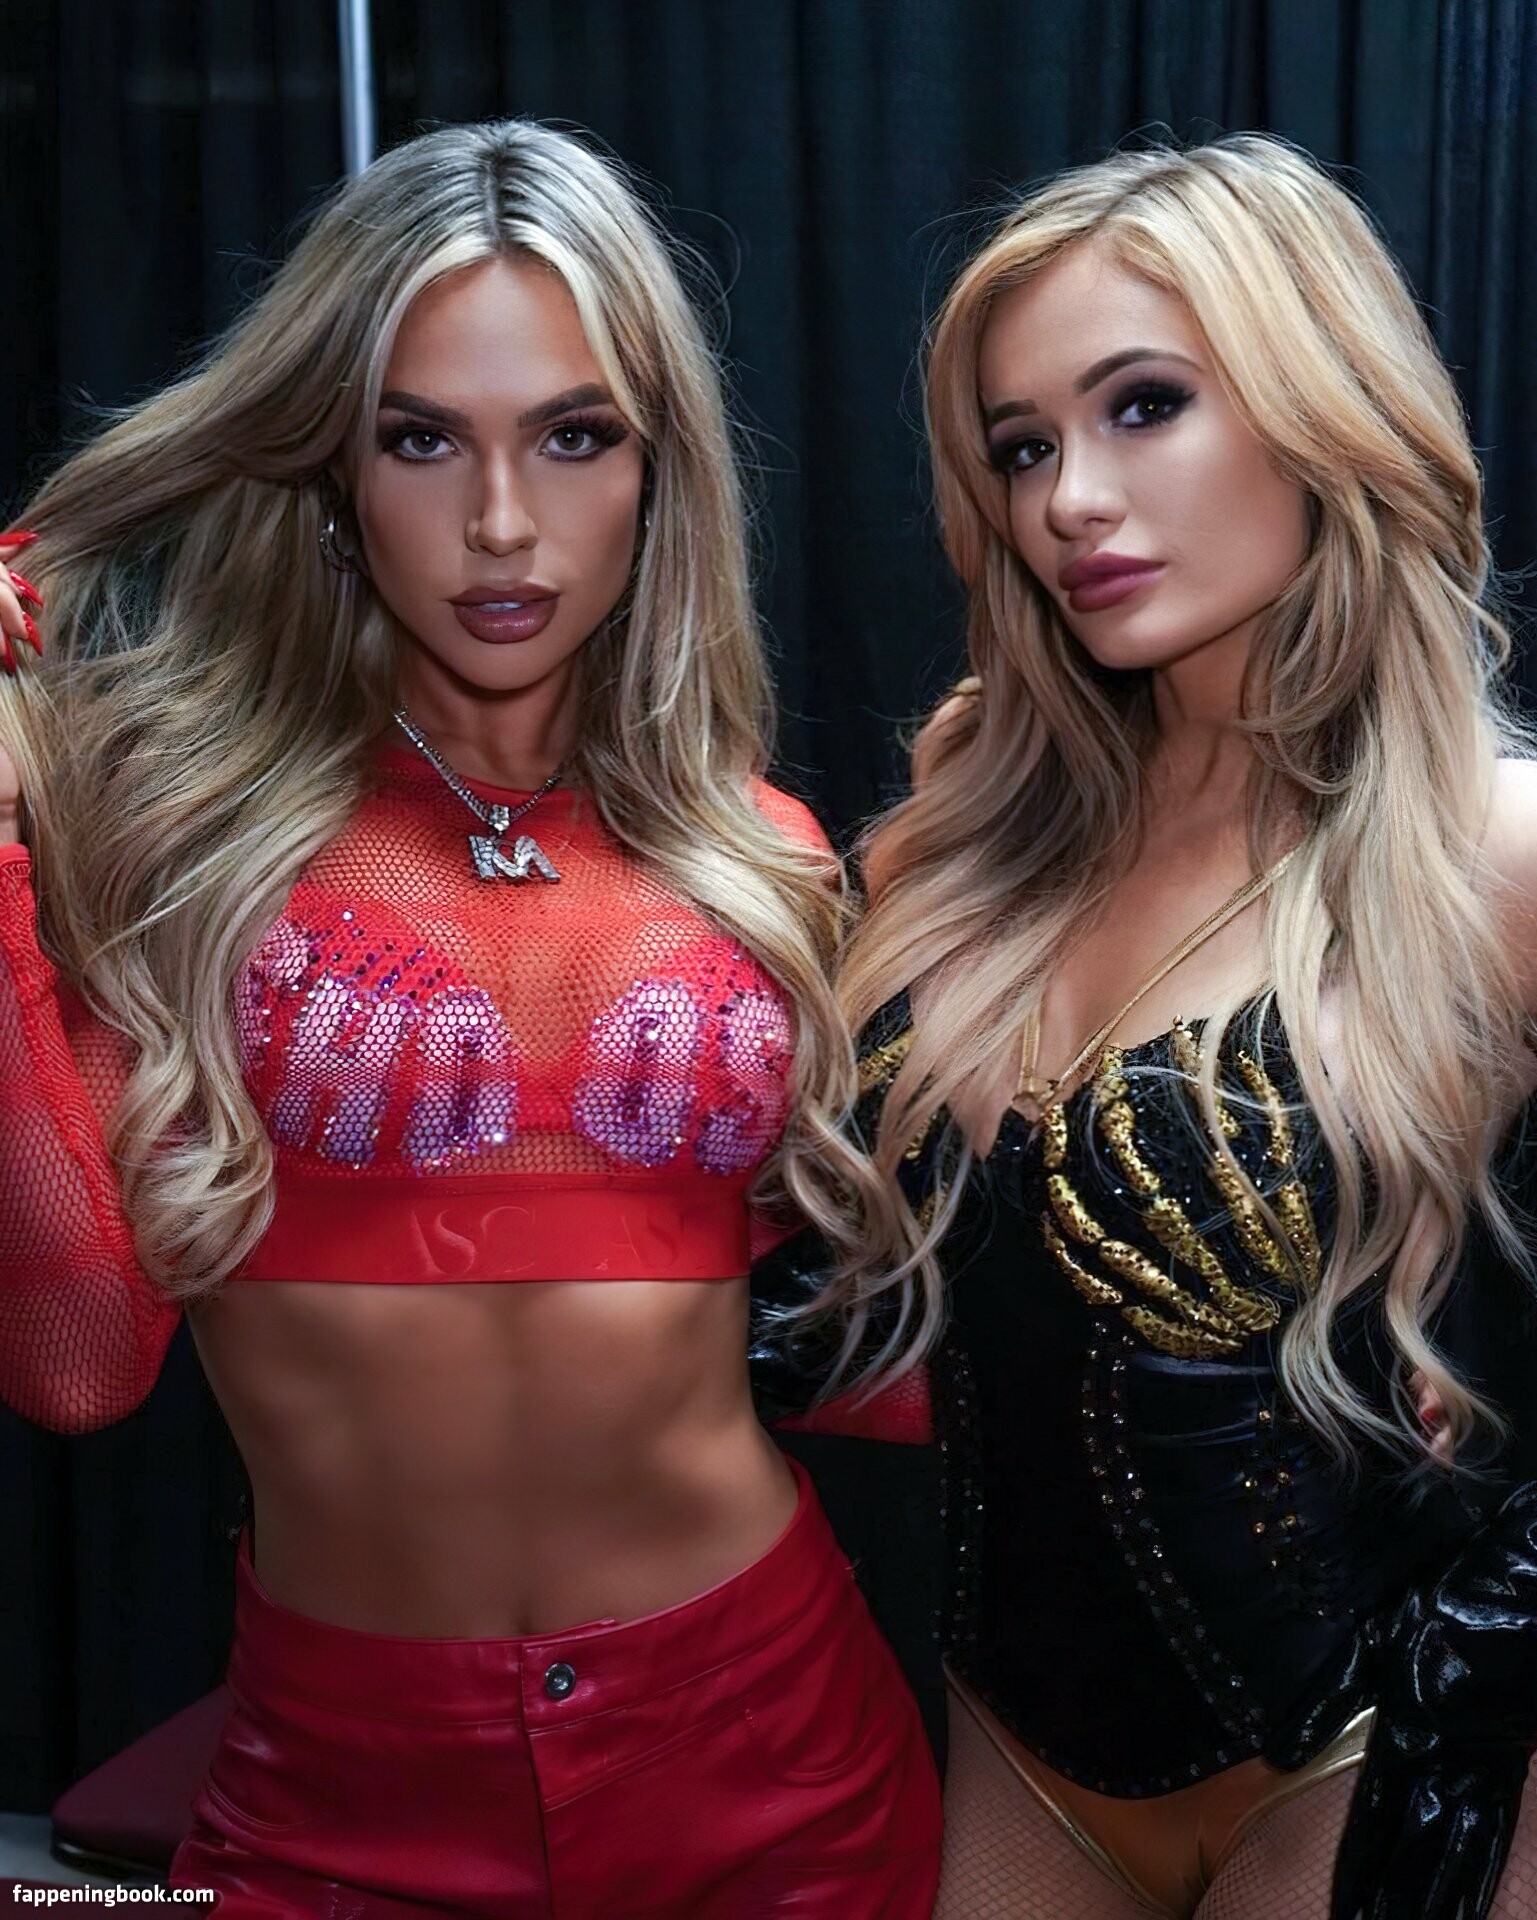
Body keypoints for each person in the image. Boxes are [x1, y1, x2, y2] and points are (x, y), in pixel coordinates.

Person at [0, 118, 940, 1917]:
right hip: (335, 1794)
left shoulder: (766, 859)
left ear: (657, 468)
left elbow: (870, 1351)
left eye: (574, 436)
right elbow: (74, 1362)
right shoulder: (178, 844)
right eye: (420, 439)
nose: (501, 524)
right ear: (328, 468)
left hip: (776, 1762)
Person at [753, 133, 1537, 1919]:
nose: (1068, 501)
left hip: (1364, 1761)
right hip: (1007, 1740)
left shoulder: (1493, 850)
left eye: (1142, 406)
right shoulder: (968, 842)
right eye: (1022, 447)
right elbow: (869, 1299)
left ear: (1316, 404)